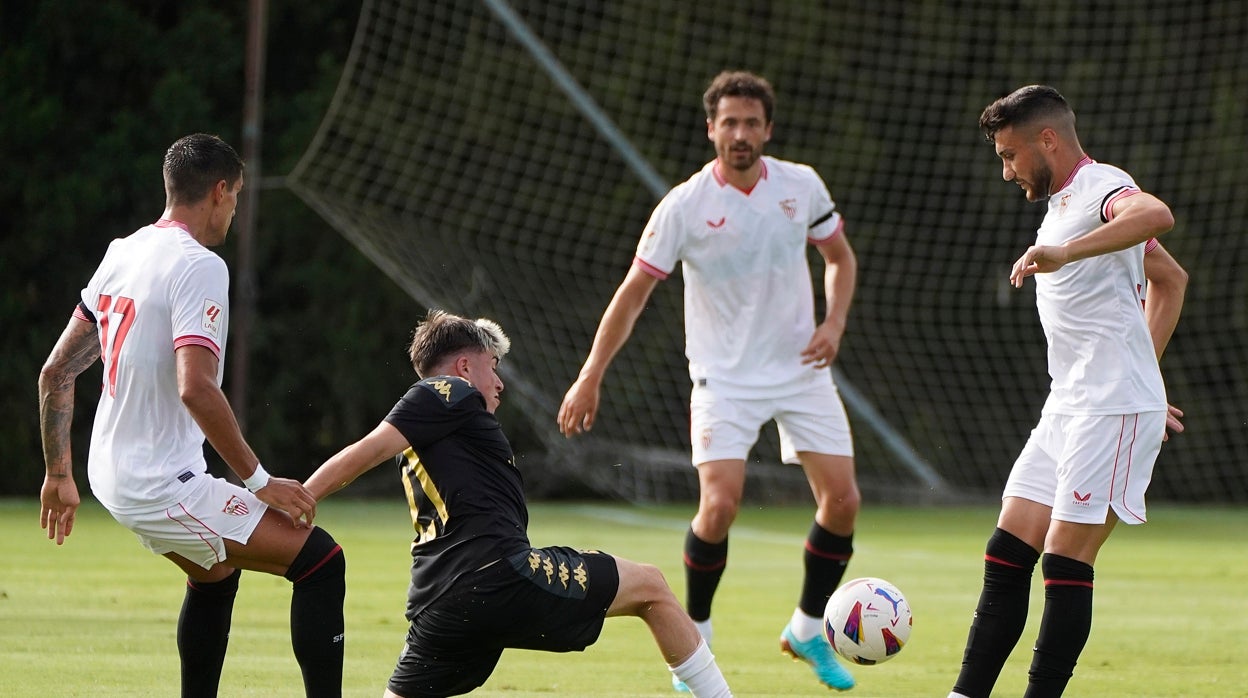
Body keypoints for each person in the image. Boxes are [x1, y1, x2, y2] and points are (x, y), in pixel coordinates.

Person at [558, 70, 860, 692]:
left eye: (751, 123)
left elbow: (839, 257)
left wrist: (833, 323)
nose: (740, 133)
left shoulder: (801, 186)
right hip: (723, 378)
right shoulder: (684, 205)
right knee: (719, 506)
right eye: (729, 123)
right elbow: (633, 294)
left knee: (843, 502)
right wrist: (590, 375)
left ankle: (806, 630)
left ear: (768, 130)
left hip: (800, 370)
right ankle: (695, 631)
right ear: (711, 129)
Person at [38, 133, 346, 698]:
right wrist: (260, 481)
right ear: (220, 191)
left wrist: (59, 473)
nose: (235, 210)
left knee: (214, 573)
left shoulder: (123, 251)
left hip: (108, 472)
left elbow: (55, 373)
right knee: (322, 560)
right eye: (237, 197)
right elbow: (197, 389)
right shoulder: (201, 266)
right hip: (159, 485)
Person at [304, 309, 732, 698]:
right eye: (493, 365)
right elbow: (366, 450)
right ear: (464, 367)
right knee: (651, 585)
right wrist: (301, 498)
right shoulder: (446, 390)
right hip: (495, 576)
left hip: (439, 604)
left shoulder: (432, 427)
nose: (499, 382)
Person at [948, 85, 1187, 698]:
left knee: (1063, 559)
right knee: (1007, 552)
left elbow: (1155, 215)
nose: (1006, 171)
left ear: (1047, 140)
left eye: (1010, 155)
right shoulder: (1060, 206)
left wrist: (1063, 254)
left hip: (1111, 408)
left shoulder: (1102, 185)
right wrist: (1146, 371)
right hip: (1069, 405)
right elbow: (1170, 278)